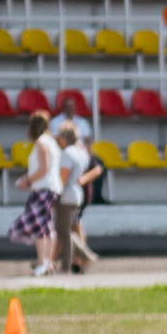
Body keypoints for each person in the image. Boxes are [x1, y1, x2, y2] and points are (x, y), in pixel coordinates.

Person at [9, 111, 62, 276]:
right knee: (46, 225)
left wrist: (27, 180)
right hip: (50, 187)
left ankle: (42, 262)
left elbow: (43, 169)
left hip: (43, 188)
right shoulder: (52, 142)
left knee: (39, 226)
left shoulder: (41, 142)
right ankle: (48, 262)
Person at [53, 116, 100, 272]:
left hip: (71, 194)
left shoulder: (69, 153)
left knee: (67, 230)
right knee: (71, 228)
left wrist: (53, 196)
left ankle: (80, 257)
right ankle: (56, 260)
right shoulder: (81, 151)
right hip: (79, 194)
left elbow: (64, 179)